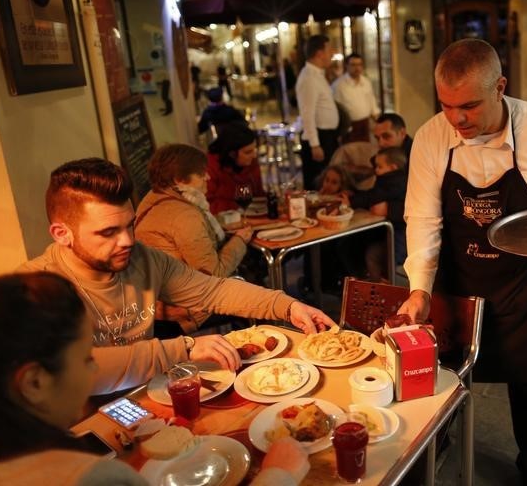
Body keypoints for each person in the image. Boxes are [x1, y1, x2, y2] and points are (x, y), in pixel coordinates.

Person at [398, 39, 527, 484]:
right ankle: (435, 445)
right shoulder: (431, 137)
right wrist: (419, 289)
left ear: (500, 86)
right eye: (446, 106)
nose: (457, 119)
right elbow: (423, 219)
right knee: (443, 373)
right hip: (460, 275)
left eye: (468, 106)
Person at [17, 158, 334, 395]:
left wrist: (288, 306)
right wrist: (182, 348)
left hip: (148, 400)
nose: (127, 240)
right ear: (62, 234)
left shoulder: (142, 258)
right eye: (108, 232)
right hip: (78, 432)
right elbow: (79, 372)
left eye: (129, 225)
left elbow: (214, 292)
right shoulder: (33, 289)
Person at [0, 272, 310, 486]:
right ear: (33, 383)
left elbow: (211, 288)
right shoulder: (90, 478)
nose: (94, 371)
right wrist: (278, 474)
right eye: (88, 358)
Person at [136, 144, 256, 333]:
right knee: (255, 288)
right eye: (201, 174)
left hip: (152, 304)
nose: (207, 177)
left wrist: (222, 229)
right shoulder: (184, 215)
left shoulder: (153, 198)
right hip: (186, 311)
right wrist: (240, 240)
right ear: (180, 180)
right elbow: (213, 275)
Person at [342, 147, 408, 281]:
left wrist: (352, 201)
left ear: (392, 167)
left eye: (379, 167)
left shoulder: (394, 181)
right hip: (394, 227)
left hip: (401, 230)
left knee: (391, 254)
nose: (376, 170)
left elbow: (375, 195)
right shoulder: (390, 178)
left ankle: (386, 278)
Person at [296, 35, 339, 189]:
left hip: (326, 136)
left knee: (325, 180)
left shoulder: (317, 75)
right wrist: (315, 144)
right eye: (329, 50)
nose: (332, 53)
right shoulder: (309, 78)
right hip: (319, 138)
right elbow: (307, 113)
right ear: (319, 53)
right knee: (317, 182)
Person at [206, 121, 265, 214]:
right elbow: (206, 205)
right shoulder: (210, 166)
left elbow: (259, 196)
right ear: (232, 154)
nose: (254, 155)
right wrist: (235, 207)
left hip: (251, 217)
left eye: (254, 149)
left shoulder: (251, 163)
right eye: (248, 152)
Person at [332, 53, 380, 143]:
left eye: (359, 64)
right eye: (353, 65)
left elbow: (372, 102)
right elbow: (336, 109)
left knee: (365, 151)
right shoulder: (338, 85)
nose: (357, 68)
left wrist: (377, 121)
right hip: (349, 127)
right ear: (346, 66)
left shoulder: (366, 82)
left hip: (365, 124)